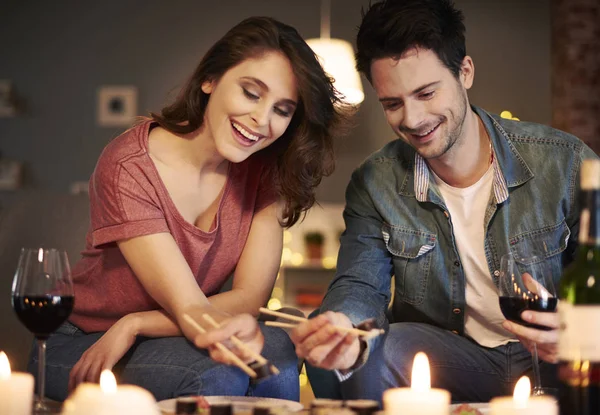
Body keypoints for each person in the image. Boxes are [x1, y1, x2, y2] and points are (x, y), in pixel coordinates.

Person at [290, 0, 598, 404]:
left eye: (426, 93)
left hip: (558, 359)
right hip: (452, 358)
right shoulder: (375, 181)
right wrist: (343, 327)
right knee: (363, 349)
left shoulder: (567, 162)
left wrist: (581, 332)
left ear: (464, 72)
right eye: (393, 104)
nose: (413, 119)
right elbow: (359, 283)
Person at [34, 16, 349, 402]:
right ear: (210, 79)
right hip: (83, 340)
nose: (262, 121)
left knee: (279, 351)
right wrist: (129, 328)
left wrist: (135, 324)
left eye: (282, 110)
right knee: (220, 377)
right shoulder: (129, 166)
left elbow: (248, 299)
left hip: (153, 333)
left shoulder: (269, 173)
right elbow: (191, 307)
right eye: (251, 93)